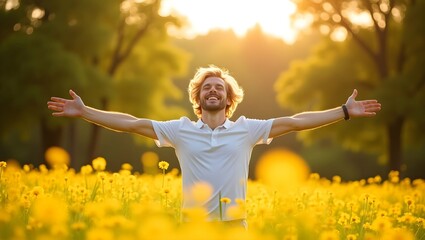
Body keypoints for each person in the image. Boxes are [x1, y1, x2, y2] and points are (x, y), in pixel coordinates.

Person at [47, 65, 381, 227]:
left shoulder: (247, 130)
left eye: (219, 87)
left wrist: (343, 112)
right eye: (207, 87)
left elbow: (295, 120)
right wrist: (85, 111)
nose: (212, 90)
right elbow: (131, 123)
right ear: (198, 97)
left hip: (237, 229)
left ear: (228, 98)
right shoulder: (180, 130)